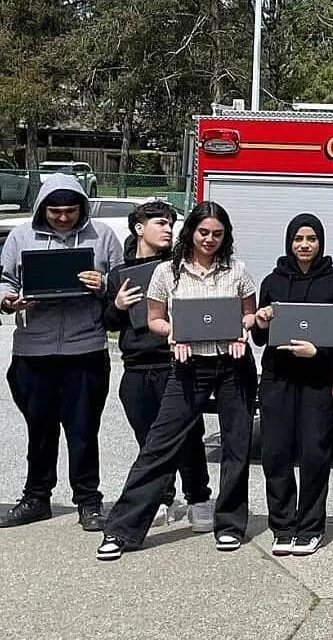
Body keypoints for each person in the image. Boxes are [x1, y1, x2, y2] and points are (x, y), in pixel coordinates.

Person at [97, 201, 258, 560]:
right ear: (192, 232)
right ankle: (122, 530)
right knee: (159, 445)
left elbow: (249, 313)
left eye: (218, 234)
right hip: (188, 366)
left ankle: (230, 525)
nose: (210, 239)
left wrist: (241, 329)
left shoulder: (238, 271)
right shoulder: (167, 272)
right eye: (204, 232)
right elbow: (155, 318)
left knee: (236, 448)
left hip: (233, 365)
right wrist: (173, 334)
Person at [0, 174, 123, 531]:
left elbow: (121, 283)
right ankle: (37, 497)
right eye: (55, 211)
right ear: (43, 208)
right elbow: (5, 279)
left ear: (82, 207)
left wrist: (104, 285)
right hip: (33, 350)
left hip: (85, 348)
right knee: (39, 429)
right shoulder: (22, 236)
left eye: (70, 211)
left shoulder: (102, 236)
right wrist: (8, 300)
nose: (64, 218)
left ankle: (88, 502)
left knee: (83, 430)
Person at [104, 200, 213, 531]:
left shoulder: (180, 268)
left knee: (189, 437)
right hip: (136, 369)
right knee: (149, 441)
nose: (168, 229)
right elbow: (106, 321)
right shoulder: (120, 275)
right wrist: (118, 305)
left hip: (175, 365)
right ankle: (163, 499)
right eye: (160, 223)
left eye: (171, 223)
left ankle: (199, 498)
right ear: (139, 228)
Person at [252, 214, 333, 556]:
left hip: (317, 381)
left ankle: (310, 527)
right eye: (298, 238)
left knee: (314, 455)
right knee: (275, 454)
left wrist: (318, 352)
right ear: (289, 242)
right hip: (278, 378)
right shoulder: (272, 281)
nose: (304, 245)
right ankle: (282, 526)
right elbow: (260, 338)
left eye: (311, 238)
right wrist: (261, 321)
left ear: (320, 242)